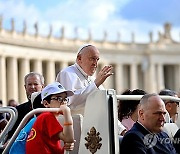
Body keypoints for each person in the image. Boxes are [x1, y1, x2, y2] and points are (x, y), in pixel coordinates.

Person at [56, 44, 113, 115]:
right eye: (92, 58)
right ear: (79, 58)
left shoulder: (93, 79)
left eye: (97, 59)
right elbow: (71, 102)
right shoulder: (67, 73)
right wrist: (95, 84)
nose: (95, 64)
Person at [26, 82, 74, 153]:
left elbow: (65, 141)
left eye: (65, 99)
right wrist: (67, 114)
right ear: (46, 103)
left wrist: (67, 146)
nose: (63, 102)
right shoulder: (47, 116)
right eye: (59, 98)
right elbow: (68, 138)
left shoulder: (48, 117)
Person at [8, 72, 45, 138]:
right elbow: (12, 134)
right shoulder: (19, 110)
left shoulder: (49, 108)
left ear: (42, 86)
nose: (32, 87)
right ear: (25, 87)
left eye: (35, 84)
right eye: (29, 84)